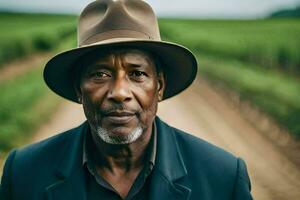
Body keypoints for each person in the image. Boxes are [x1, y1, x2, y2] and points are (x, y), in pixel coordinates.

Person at [0, 0, 252, 199]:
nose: (120, 92)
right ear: (79, 89)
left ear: (160, 86)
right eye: (100, 74)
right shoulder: (23, 172)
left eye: (137, 74)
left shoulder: (223, 177)